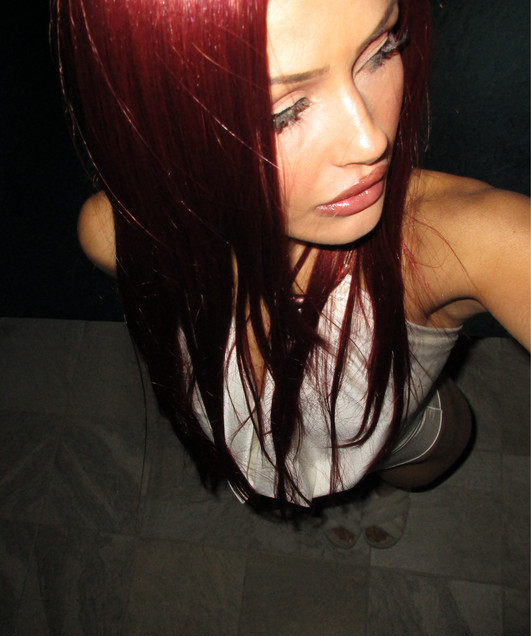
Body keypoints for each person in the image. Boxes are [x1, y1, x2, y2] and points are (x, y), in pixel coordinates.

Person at [53, 0, 529, 548]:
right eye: (282, 112)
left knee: (401, 465)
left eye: (381, 50)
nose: (370, 140)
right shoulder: (121, 235)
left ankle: (377, 491)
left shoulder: (453, 240)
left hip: (405, 438)